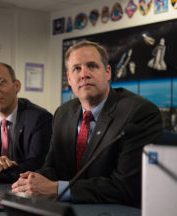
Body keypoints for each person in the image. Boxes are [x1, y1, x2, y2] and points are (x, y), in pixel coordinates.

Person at [12, 41, 162, 208]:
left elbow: (125, 187)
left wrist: (56, 188)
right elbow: (53, 167)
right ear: (69, 78)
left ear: (107, 72)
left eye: (92, 66)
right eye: (77, 68)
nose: (84, 74)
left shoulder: (139, 112)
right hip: (71, 208)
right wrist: (32, 181)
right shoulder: (63, 113)